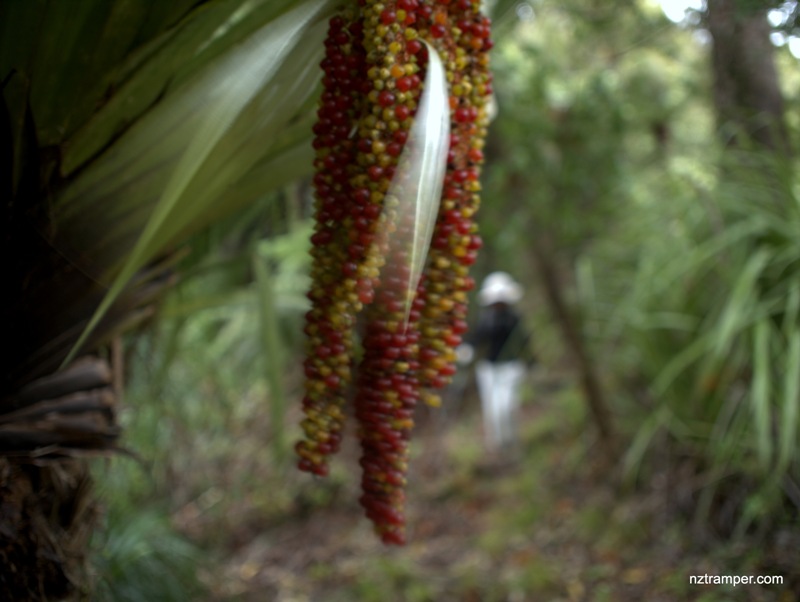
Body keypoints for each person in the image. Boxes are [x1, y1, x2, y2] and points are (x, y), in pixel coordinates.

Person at [458, 272, 533, 454]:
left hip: (511, 368)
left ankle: (512, 441)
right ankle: (497, 445)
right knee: (491, 409)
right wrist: (467, 349)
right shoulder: (486, 319)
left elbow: (524, 341)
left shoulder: (514, 318)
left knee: (506, 406)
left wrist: (531, 363)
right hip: (489, 370)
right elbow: (476, 338)